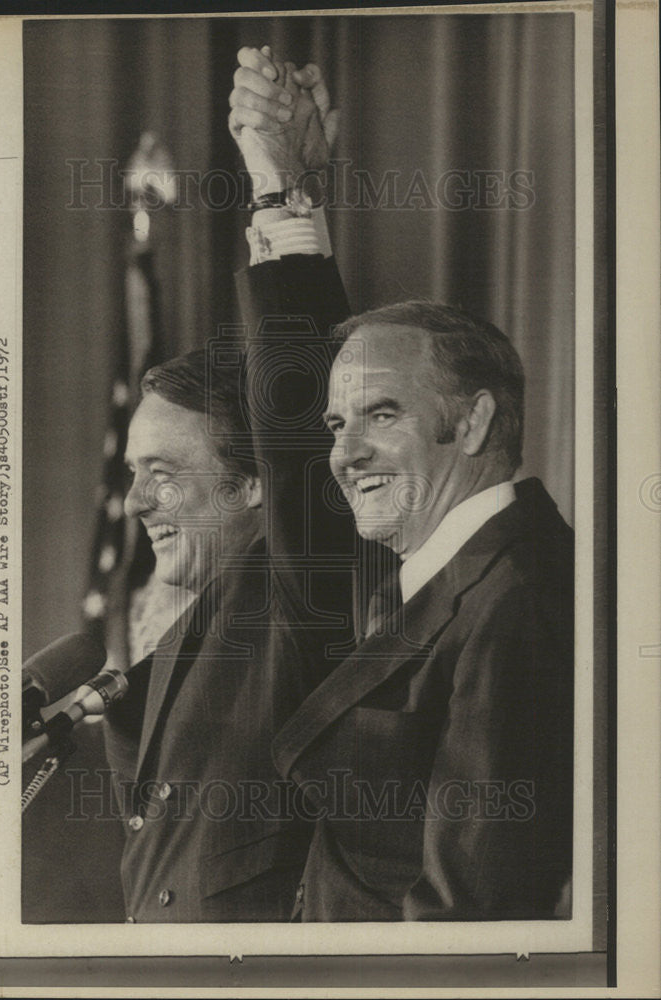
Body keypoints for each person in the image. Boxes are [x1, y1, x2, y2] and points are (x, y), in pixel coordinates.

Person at [230, 46, 574, 921]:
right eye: (338, 427)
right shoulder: (443, 566)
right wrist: (279, 198)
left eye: (381, 415)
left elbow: (469, 917)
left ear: (476, 421)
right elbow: (302, 461)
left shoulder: (516, 601)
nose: (343, 456)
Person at [103, 311, 355, 918]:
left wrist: (287, 245)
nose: (135, 502)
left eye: (161, 475)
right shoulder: (198, 620)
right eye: (134, 474)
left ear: (252, 484)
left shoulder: (295, 592)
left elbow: (297, 440)